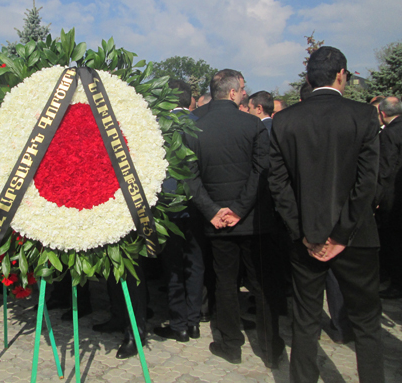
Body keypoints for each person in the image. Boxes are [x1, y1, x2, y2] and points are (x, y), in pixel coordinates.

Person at [269, 46, 383, 383]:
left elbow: (278, 184)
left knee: (305, 320)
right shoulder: (363, 114)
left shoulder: (285, 120)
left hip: (308, 236)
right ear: (341, 75)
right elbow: (367, 182)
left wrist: (303, 231)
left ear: (308, 78)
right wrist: (341, 233)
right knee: (366, 323)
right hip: (356, 236)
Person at [185, 69, 284, 368]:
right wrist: (239, 209)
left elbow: (190, 176)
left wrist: (213, 210)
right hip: (252, 219)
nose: (244, 95)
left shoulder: (194, 127)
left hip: (219, 221)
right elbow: (262, 171)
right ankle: (270, 347)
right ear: (231, 93)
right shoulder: (253, 124)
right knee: (261, 283)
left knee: (225, 282)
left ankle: (230, 345)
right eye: (241, 91)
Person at [154, 79, 204, 344]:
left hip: (169, 204)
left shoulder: (159, 125)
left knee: (173, 266)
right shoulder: (202, 123)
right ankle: (194, 321)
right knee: (195, 263)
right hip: (198, 204)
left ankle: (179, 324)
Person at [374, 96, 402, 299]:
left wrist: (377, 197)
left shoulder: (389, 133)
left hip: (392, 197)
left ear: (382, 114)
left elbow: (385, 168)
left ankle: (395, 283)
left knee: (392, 241)